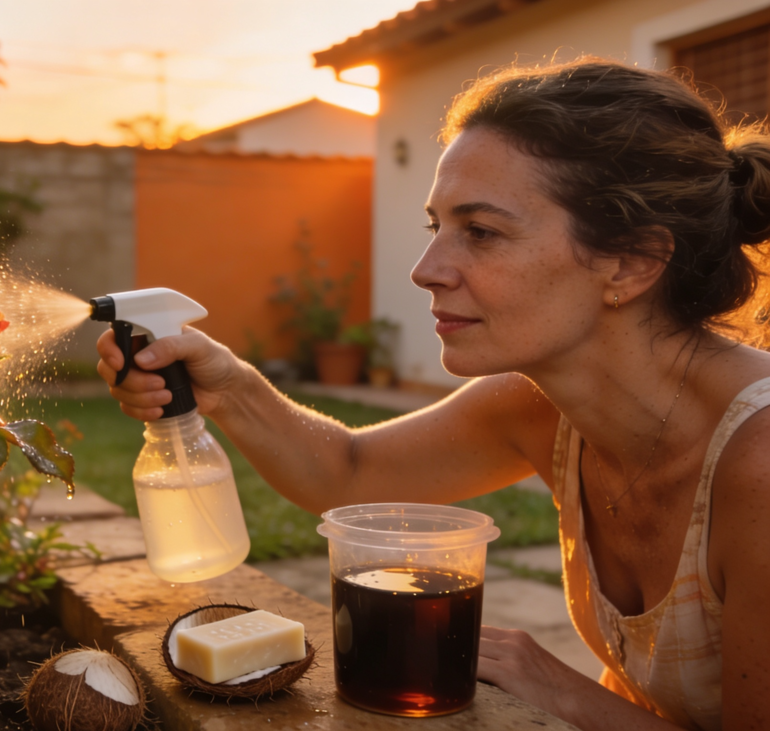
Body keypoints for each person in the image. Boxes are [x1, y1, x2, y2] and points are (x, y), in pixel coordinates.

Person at [96, 58, 770, 731]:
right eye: (436, 226)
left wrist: (566, 693)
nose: (427, 270)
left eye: (480, 231)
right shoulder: (544, 407)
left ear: (631, 263)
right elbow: (348, 473)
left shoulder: (758, 466)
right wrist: (229, 385)